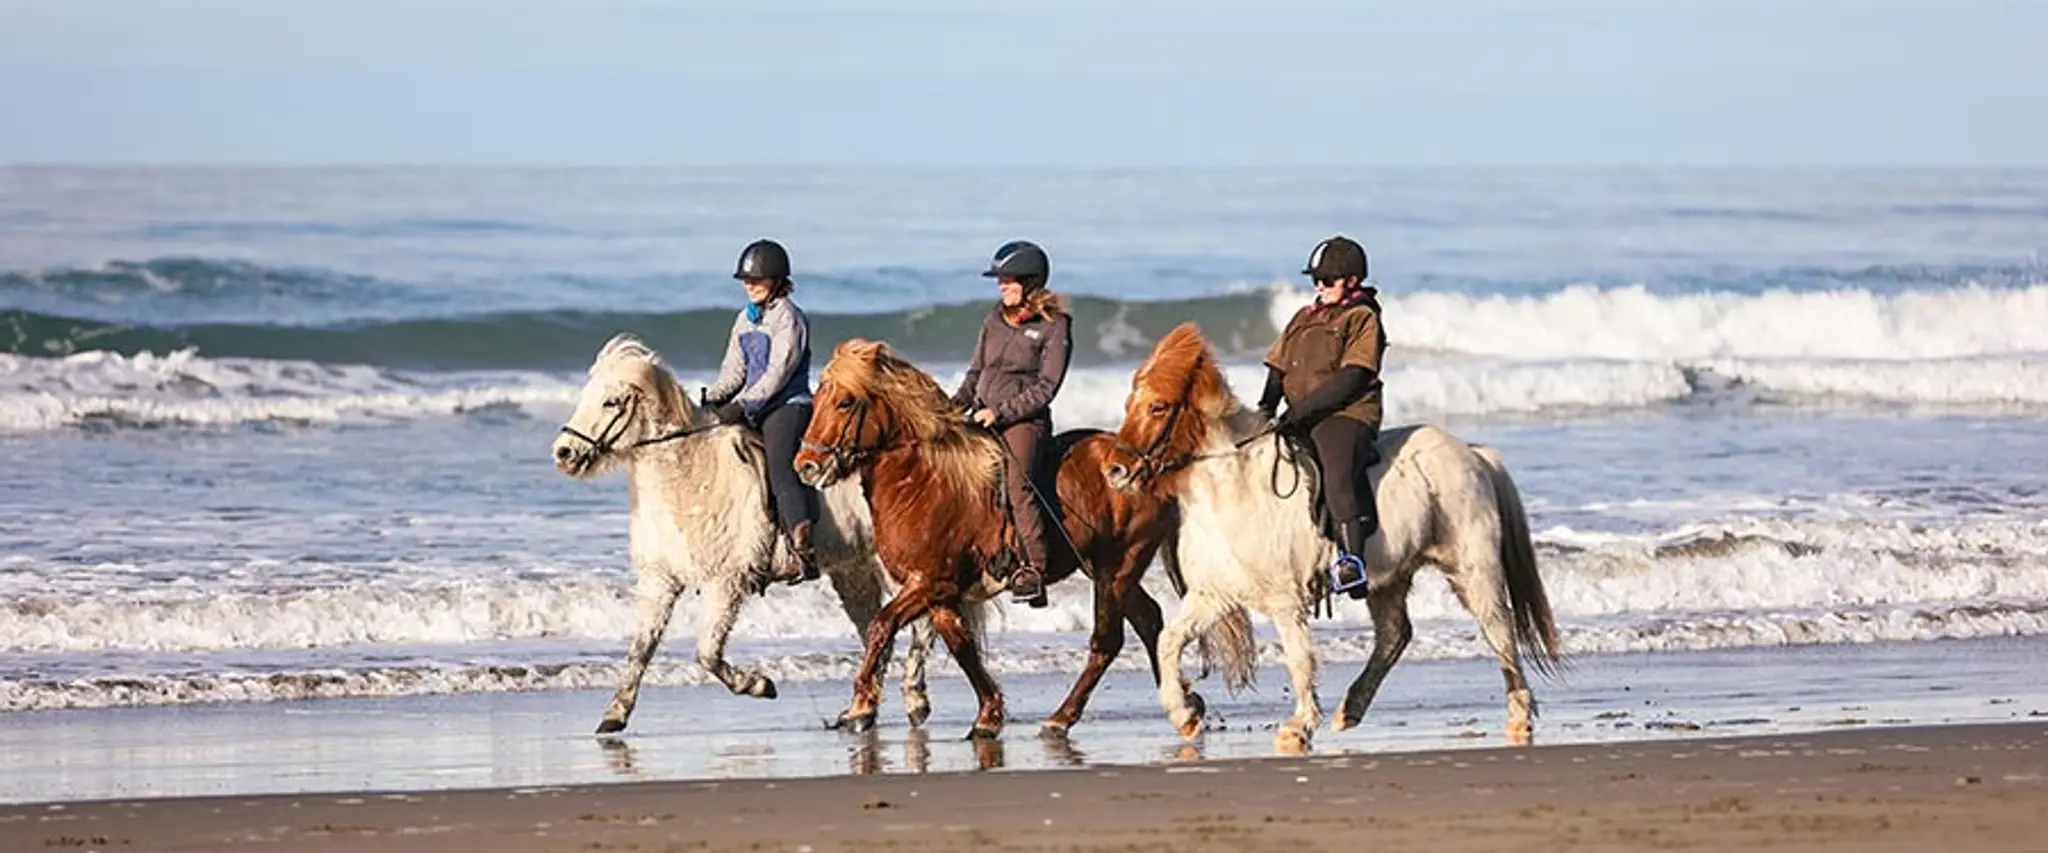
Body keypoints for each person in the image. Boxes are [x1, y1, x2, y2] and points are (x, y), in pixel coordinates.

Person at [1259, 234, 1388, 599]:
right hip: (1299, 415)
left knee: (1336, 471)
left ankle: (1352, 562)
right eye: (1315, 279)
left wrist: (1301, 410)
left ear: (1352, 280)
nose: (1319, 285)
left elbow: (1354, 376)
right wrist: (1267, 407)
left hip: (1345, 413)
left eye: (1327, 280)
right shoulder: (1304, 316)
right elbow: (1277, 365)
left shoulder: (1361, 317)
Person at [951, 239, 1072, 608]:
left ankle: (1033, 569)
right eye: (999, 280)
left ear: (1031, 282)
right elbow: (977, 372)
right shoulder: (993, 319)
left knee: (1018, 485)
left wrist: (1000, 413)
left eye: (1008, 280)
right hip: (983, 414)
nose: (1001, 286)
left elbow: (1047, 387)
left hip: (1025, 422)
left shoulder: (1054, 327)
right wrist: (954, 407)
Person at [702, 238, 821, 585]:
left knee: (780, 468)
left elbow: (777, 375)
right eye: (746, 280)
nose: (749, 285)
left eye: (757, 280)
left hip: (787, 405)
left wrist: (742, 406)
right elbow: (733, 373)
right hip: (754, 405)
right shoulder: (744, 319)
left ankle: (803, 553)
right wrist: (711, 398)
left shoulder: (790, 319)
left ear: (778, 281)